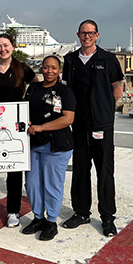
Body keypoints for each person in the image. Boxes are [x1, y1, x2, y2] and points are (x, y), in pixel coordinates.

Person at [62, 19, 124, 237]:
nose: (86, 36)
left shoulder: (108, 59)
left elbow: (117, 87)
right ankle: (81, 212)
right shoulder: (70, 60)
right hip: (79, 125)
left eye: (90, 33)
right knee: (80, 169)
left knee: (105, 172)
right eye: (83, 33)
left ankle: (107, 217)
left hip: (102, 125)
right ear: (78, 35)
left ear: (97, 35)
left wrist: (104, 109)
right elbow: (67, 90)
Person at [0, 33, 38, 228]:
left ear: (12, 47)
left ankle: (13, 210)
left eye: (6, 45)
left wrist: (29, 109)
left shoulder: (21, 68)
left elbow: (38, 87)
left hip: (15, 125)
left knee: (14, 170)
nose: (2, 49)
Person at [22, 56, 75, 241]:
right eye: (45, 67)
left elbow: (68, 119)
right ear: (41, 69)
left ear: (58, 70)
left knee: (52, 185)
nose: (49, 71)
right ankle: (38, 217)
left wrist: (42, 127)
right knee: (32, 184)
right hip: (34, 144)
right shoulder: (33, 88)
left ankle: (51, 221)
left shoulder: (64, 91)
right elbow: (24, 111)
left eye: (53, 67)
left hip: (56, 145)